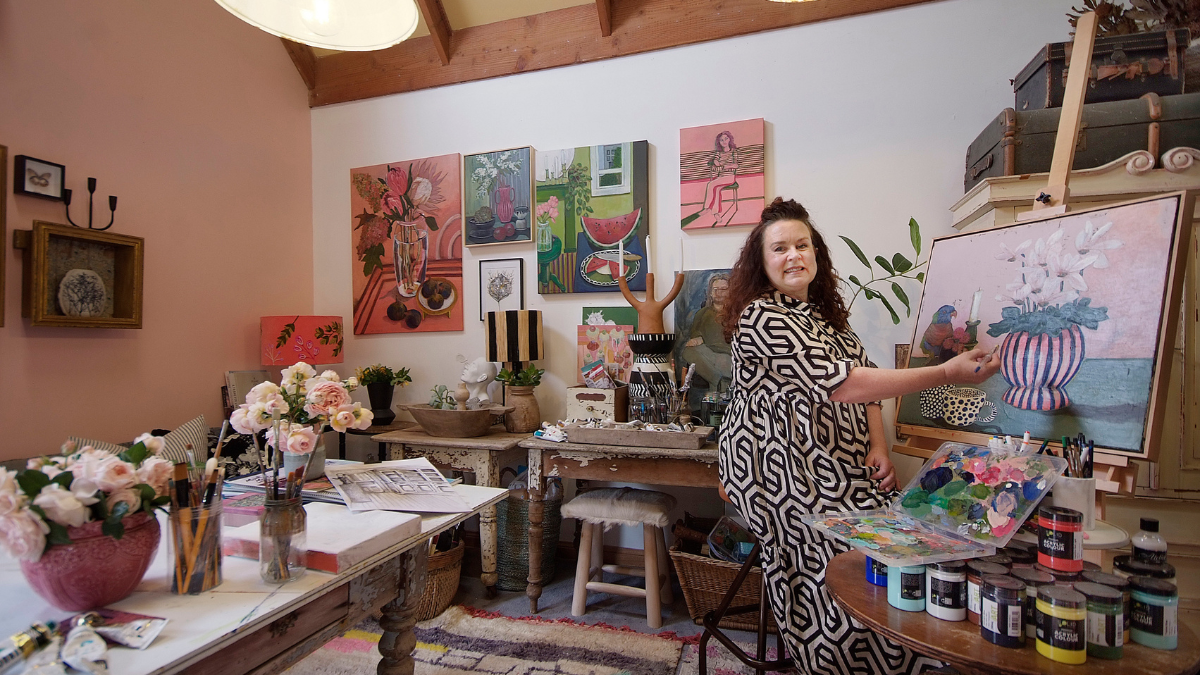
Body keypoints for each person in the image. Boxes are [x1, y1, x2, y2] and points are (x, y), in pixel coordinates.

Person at [718, 198, 1001, 675]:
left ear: (816, 254)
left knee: (889, 544)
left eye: (802, 244)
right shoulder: (760, 318)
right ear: (762, 264)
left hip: (840, 459)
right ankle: (835, 662)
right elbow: (845, 384)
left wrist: (879, 446)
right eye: (780, 248)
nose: (793, 255)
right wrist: (946, 371)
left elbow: (865, 383)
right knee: (837, 554)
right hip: (777, 466)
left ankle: (889, 658)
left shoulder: (830, 321)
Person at [682, 273, 733, 395]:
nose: (718, 293)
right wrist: (696, 339)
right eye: (715, 290)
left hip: (728, 355)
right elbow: (695, 335)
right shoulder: (702, 313)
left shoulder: (736, 313)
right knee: (687, 351)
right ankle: (717, 380)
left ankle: (717, 382)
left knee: (722, 360)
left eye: (723, 289)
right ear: (710, 292)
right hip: (706, 354)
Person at [701, 131, 739, 217]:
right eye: (721, 140)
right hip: (721, 177)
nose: (724, 141)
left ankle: (706, 208)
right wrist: (717, 163)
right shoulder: (719, 153)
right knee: (717, 189)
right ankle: (715, 212)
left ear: (730, 139)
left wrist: (724, 166)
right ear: (719, 142)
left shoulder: (733, 152)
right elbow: (715, 161)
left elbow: (736, 165)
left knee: (711, 184)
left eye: (726, 139)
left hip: (730, 177)